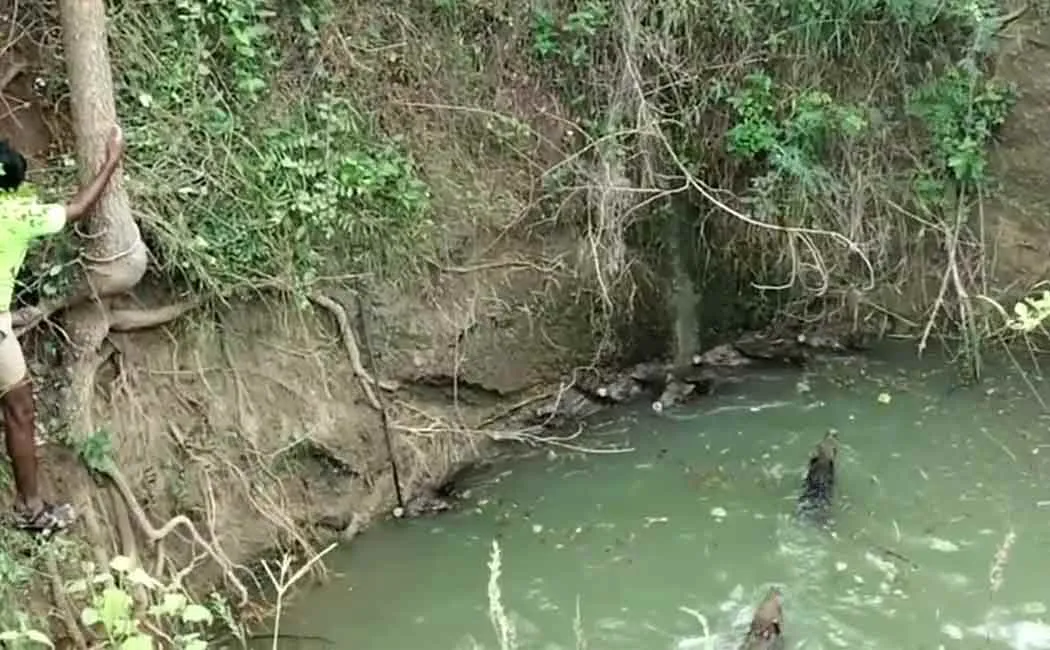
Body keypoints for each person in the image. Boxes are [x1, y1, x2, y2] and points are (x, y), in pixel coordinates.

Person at [0, 126, 127, 535]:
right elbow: (76, 210)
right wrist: (110, 162)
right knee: (19, 410)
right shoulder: (19, 216)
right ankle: (32, 510)